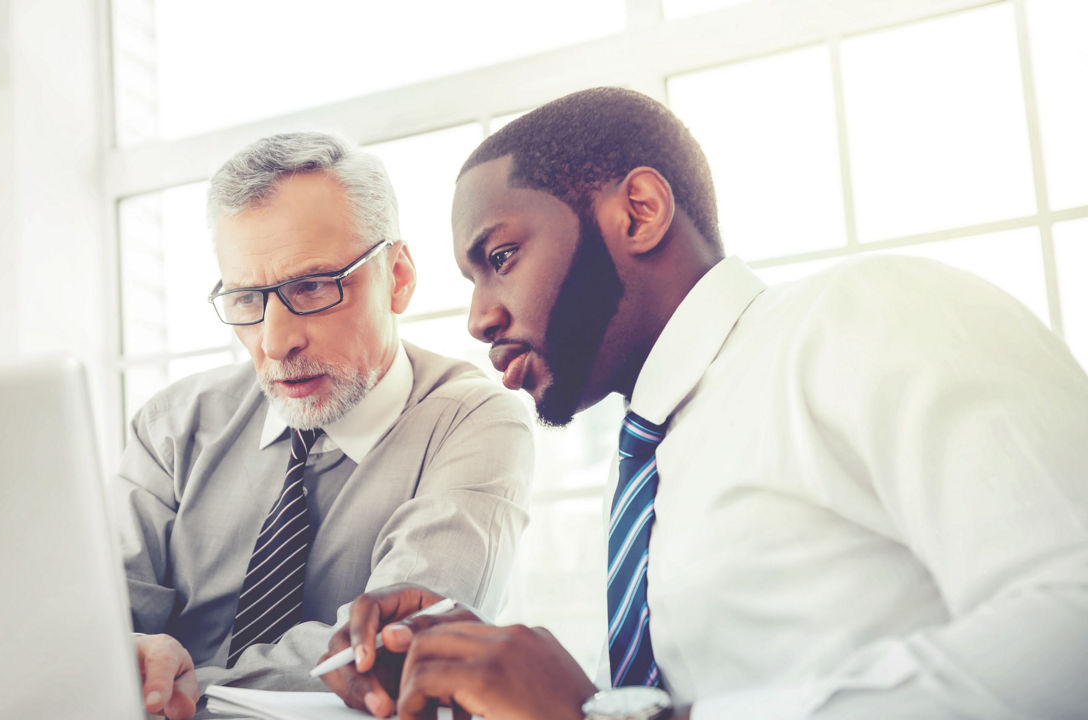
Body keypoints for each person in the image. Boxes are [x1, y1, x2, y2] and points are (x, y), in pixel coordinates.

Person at [321, 87, 1088, 719]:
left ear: (641, 211)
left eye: (500, 258)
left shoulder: (865, 313)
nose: (480, 316)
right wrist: (476, 673)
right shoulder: (649, 466)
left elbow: (1070, 629)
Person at [110, 132, 534, 720]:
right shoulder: (172, 427)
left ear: (399, 277)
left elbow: (393, 652)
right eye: (245, 300)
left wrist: (178, 685)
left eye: (311, 287)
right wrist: (122, 656)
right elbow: (95, 628)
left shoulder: (473, 421)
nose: (276, 341)